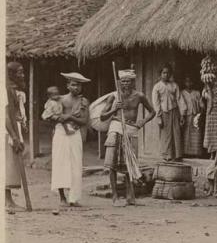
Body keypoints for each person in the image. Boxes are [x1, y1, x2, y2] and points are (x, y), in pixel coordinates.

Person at [101, 69, 155, 207]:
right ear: (119, 82)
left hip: (131, 130)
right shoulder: (113, 96)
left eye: (128, 81)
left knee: (129, 164)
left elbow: (153, 112)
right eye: (123, 81)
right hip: (116, 128)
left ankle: (130, 197)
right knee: (112, 165)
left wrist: (142, 122)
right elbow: (102, 116)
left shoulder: (139, 96)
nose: (125, 84)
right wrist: (114, 109)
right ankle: (115, 197)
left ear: (133, 82)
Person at [50, 72, 90, 207]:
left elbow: (84, 121)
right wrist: (59, 119)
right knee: (60, 163)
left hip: (75, 133)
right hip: (61, 133)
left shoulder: (83, 101)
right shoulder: (59, 99)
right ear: (68, 85)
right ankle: (62, 197)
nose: (76, 87)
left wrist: (70, 117)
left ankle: (74, 198)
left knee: (76, 164)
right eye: (73, 84)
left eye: (79, 85)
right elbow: (50, 116)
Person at [5, 62, 27, 211]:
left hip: (13, 129)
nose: (23, 75)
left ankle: (8, 200)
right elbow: (5, 116)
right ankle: (8, 201)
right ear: (11, 74)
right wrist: (14, 136)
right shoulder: (6, 89)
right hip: (7, 131)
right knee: (8, 164)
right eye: (20, 72)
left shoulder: (13, 90)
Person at [152, 65, 186, 161]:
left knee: (176, 132)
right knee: (166, 134)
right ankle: (167, 155)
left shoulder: (174, 85)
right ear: (161, 74)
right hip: (164, 112)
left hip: (174, 111)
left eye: (168, 73)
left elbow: (179, 99)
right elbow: (156, 102)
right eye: (164, 73)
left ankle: (177, 155)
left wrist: (182, 114)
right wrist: (158, 116)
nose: (166, 75)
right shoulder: (157, 87)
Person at [181, 76, 204, 157]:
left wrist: (199, 115)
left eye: (190, 81)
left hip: (195, 116)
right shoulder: (182, 93)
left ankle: (196, 154)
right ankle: (186, 153)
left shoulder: (197, 93)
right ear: (184, 82)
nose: (189, 83)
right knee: (186, 135)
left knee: (196, 135)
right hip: (186, 116)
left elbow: (202, 106)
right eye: (187, 81)